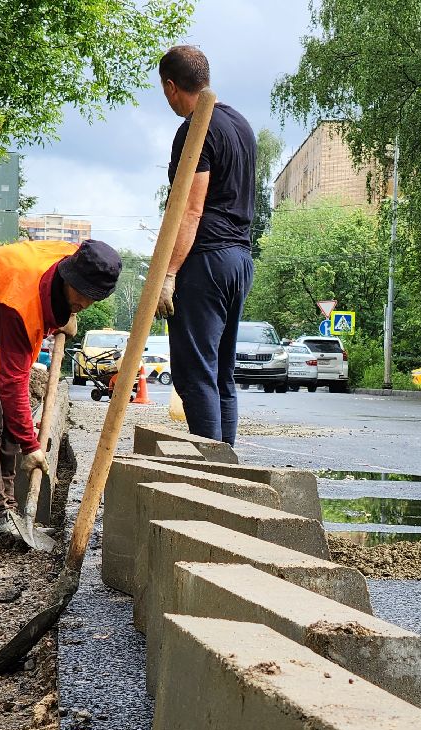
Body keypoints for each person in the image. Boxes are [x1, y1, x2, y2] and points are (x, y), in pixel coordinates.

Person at [0, 238, 121, 541]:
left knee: (7, 419)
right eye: (81, 294)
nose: (85, 302)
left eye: (92, 298)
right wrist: (31, 446)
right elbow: (12, 383)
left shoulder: (80, 257)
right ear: (69, 276)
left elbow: (56, 299)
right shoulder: (21, 305)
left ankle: (10, 506)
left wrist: (64, 317)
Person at [155, 45, 256, 445]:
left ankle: (210, 477)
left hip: (206, 261)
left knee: (195, 374)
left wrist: (168, 274)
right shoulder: (240, 124)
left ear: (171, 86)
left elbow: (190, 210)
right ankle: (226, 470)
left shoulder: (197, 129)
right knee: (220, 374)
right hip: (240, 260)